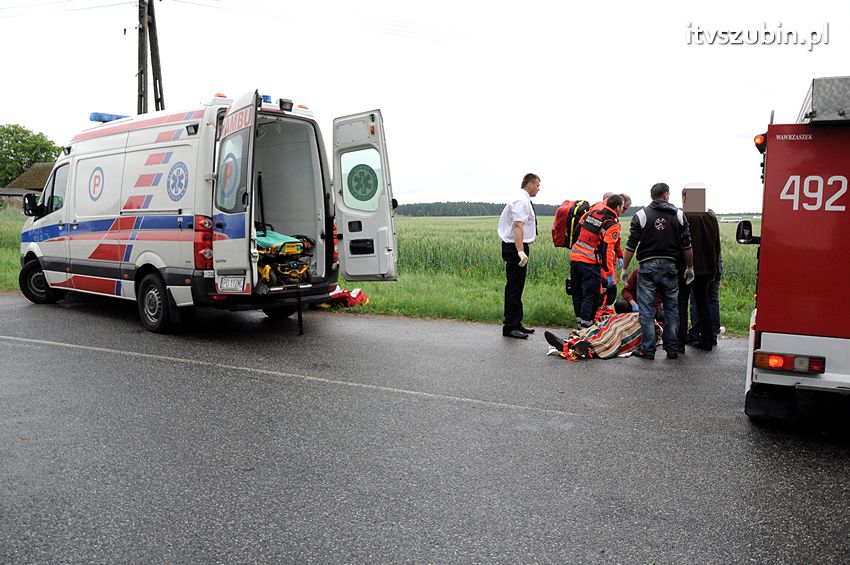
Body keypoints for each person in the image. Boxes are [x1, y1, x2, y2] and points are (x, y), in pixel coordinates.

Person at [621, 183, 694, 360]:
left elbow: (631, 245)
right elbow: (687, 245)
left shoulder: (641, 215)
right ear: (666, 195)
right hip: (671, 267)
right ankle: (672, 349)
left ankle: (648, 350)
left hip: (647, 268)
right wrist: (690, 267)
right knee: (671, 310)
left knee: (646, 310)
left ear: (652, 195)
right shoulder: (679, 215)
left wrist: (624, 268)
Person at [569, 193, 624, 329]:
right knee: (591, 295)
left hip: (575, 258)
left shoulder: (592, 213)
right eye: (622, 207)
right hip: (589, 262)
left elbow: (577, 231)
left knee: (577, 292)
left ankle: (579, 323)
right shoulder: (611, 223)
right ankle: (586, 328)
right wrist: (610, 273)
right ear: (617, 207)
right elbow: (607, 249)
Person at [498, 173, 540, 339]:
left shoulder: (522, 199)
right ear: (529, 184)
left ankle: (516, 322)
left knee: (517, 286)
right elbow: (517, 226)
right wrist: (520, 251)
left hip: (517, 246)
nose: (539, 188)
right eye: (537, 185)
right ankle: (510, 326)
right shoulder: (521, 200)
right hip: (515, 247)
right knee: (514, 287)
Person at [677, 191, 721, 352]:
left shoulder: (682, 216)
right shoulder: (711, 218)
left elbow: (679, 245)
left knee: (681, 303)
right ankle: (708, 341)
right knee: (704, 303)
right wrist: (714, 269)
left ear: (685, 198)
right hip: (706, 269)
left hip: (685, 268)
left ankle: (680, 343)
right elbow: (717, 245)